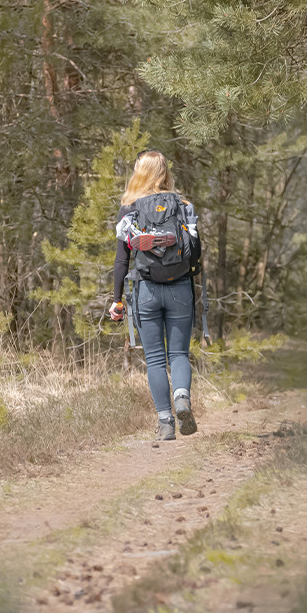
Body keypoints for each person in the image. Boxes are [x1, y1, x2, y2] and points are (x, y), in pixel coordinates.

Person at [108, 150, 200, 442]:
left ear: (139, 173)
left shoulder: (129, 208)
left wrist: (117, 299)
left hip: (146, 289)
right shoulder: (183, 205)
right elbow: (196, 250)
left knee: (157, 360)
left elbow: (122, 260)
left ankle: (165, 424)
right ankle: (182, 397)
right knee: (179, 354)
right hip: (180, 287)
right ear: (164, 172)